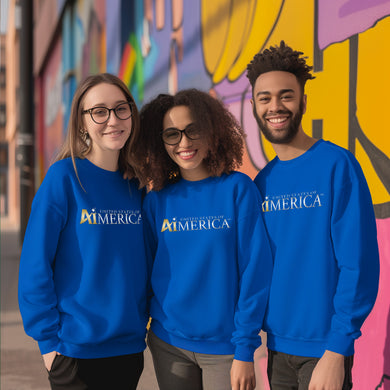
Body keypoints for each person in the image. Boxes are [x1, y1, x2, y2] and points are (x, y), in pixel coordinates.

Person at [246, 41, 380, 390]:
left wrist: (337, 349)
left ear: (303, 100)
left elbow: (358, 263)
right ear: (254, 106)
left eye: (286, 95)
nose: (275, 106)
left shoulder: (337, 166)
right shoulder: (261, 184)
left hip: (324, 350)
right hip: (276, 349)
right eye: (265, 98)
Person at [131, 88, 273, 390]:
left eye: (192, 130)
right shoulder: (157, 200)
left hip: (226, 348)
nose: (183, 142)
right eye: (172, 134)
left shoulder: (238, 189)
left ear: (212, 132)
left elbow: (255, 270)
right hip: (169, 343)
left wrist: (245, 348)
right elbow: (142, 273)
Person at [18, 73, 149, 390]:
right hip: (73, 352)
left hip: (128, 349)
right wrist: (48, 344)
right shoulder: (64, 178)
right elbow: (35, 265)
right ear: (82, 122)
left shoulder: (138, 185)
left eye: (121, 108)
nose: (112, 120)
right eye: (99, 111)